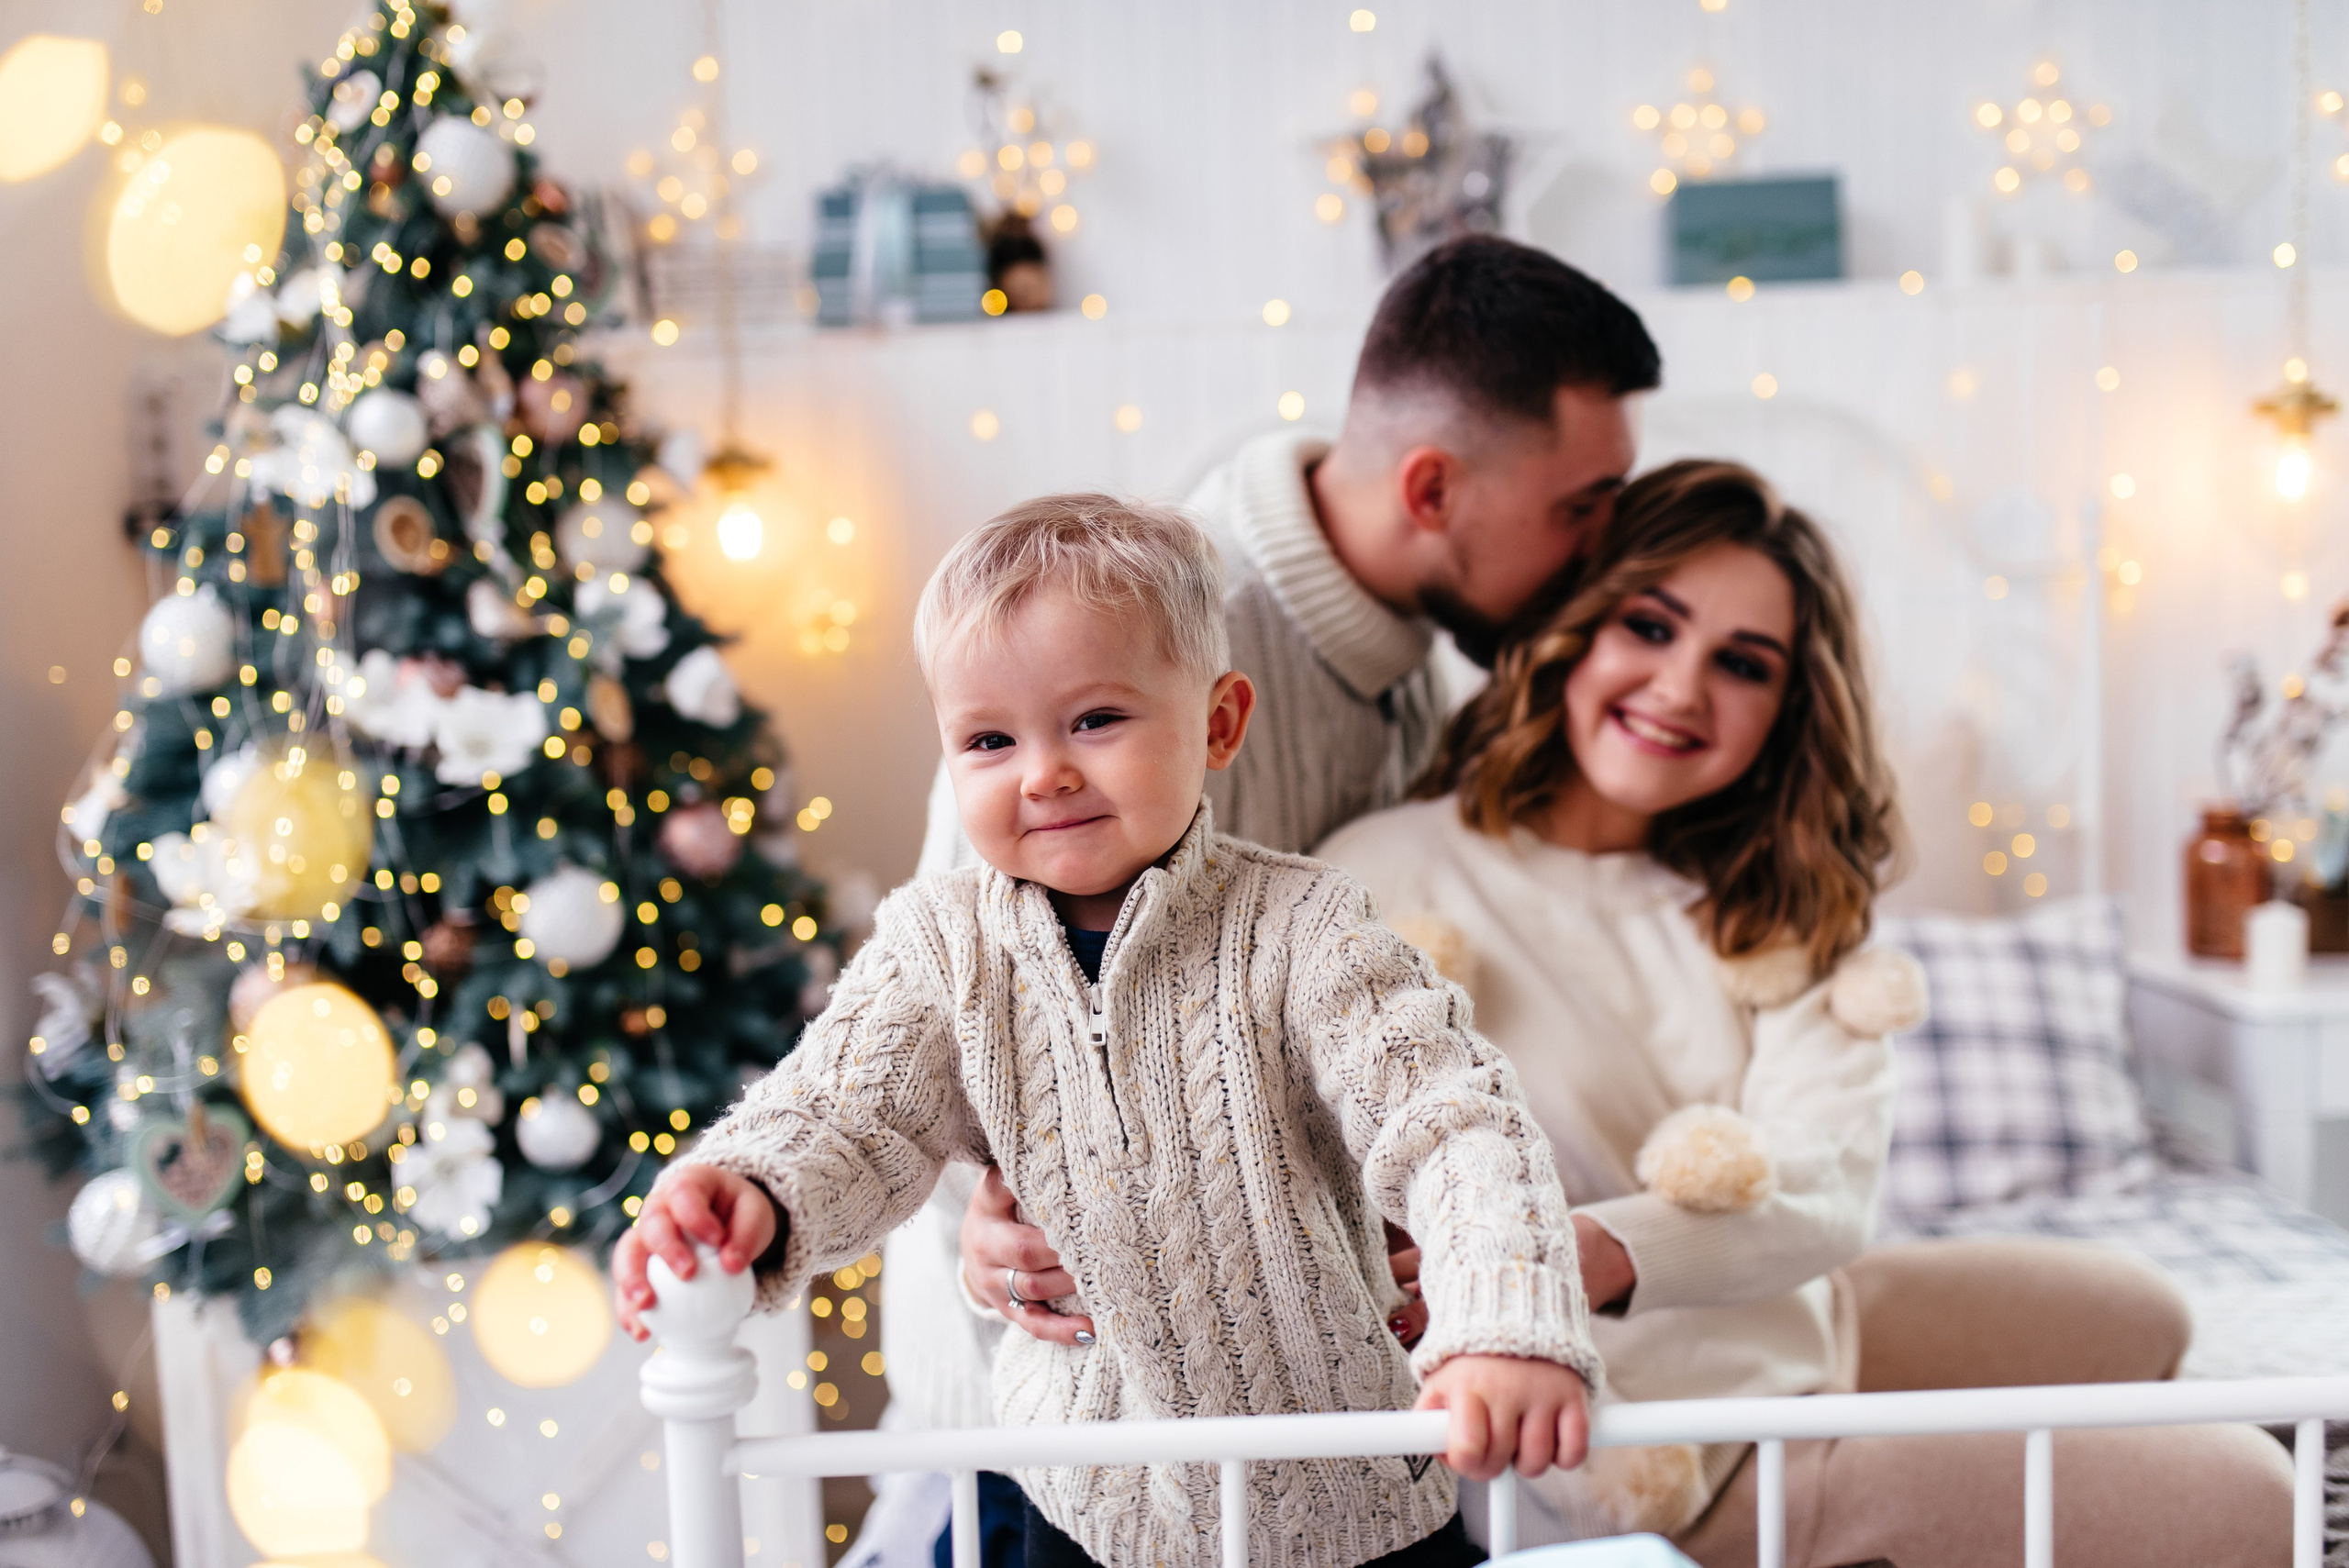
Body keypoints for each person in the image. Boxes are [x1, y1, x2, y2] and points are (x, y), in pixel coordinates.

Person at [979, 462, 2295, 1567]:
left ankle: (1862, 1414)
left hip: (1779, 1319)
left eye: (1744, 663)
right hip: (1664, 1440)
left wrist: (1581, 1245)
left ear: (1785, 708)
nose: (1679, 689)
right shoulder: (1383, 872)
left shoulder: (1771, 893)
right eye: (1650, 628)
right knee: (2250, 1494)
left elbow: (1828, 1187)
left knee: (2144, 1315)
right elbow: (1204, 1099)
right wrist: (1024, 1221)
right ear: (1578, 630)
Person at [615, 496, 1604, 1568]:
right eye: (990, 739)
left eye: (1094, 720)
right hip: (1082, 1497)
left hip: (1344, 1494)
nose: (1043, 771)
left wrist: (1502, 1318)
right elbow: (847, 1116)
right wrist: (749, 1187)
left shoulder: (1304, 928)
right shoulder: (942, 947)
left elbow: (1450, 1119)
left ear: (1220, 722)